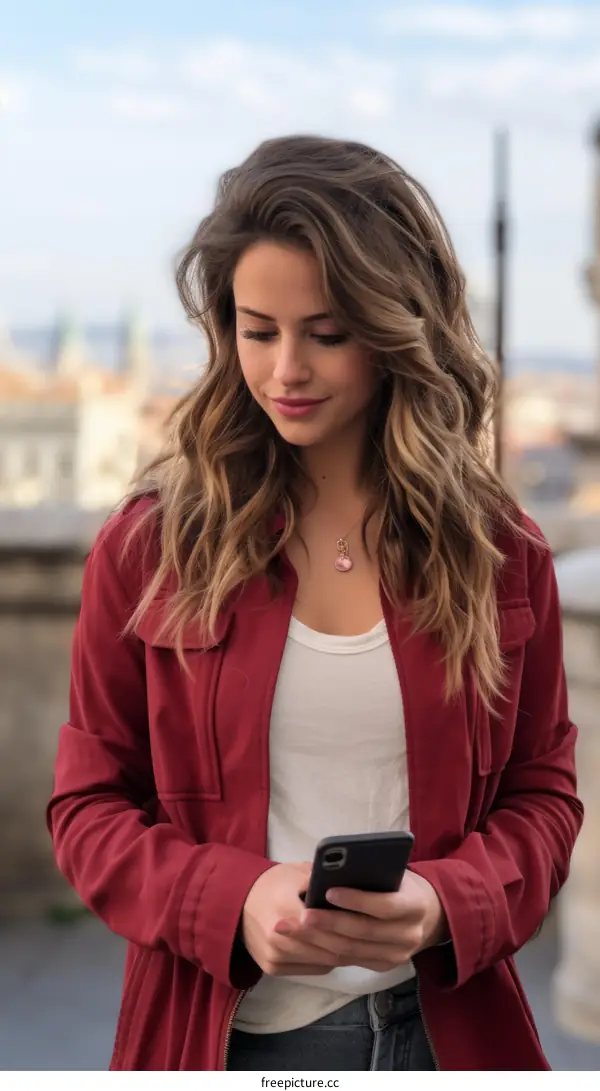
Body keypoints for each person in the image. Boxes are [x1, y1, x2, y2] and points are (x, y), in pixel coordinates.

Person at [47, 135, 583, 1072]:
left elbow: (544, 796)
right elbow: (88, 808)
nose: (285, 368)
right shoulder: (150, 546)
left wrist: (448, 903)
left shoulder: (500, 551)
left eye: (327, 333)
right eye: (259, 331)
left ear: (395, 328)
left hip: (449, 1039)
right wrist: (237, 901)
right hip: (226, 1041)